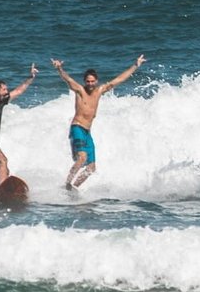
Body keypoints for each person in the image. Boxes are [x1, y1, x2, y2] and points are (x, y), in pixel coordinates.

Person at [51, 55, 146, 192]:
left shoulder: (99, 91)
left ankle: (74, 188)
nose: (90, 84)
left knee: (91, 167)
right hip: (77, 127)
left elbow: (119, 80)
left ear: (96, 81)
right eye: (88, 81)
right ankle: (66, 184)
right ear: (84, 81)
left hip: (87, 132)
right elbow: (68, 79)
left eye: (92, 81)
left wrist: (135, 65)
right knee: (82, 157)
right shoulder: (80, 90)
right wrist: (59, 69)